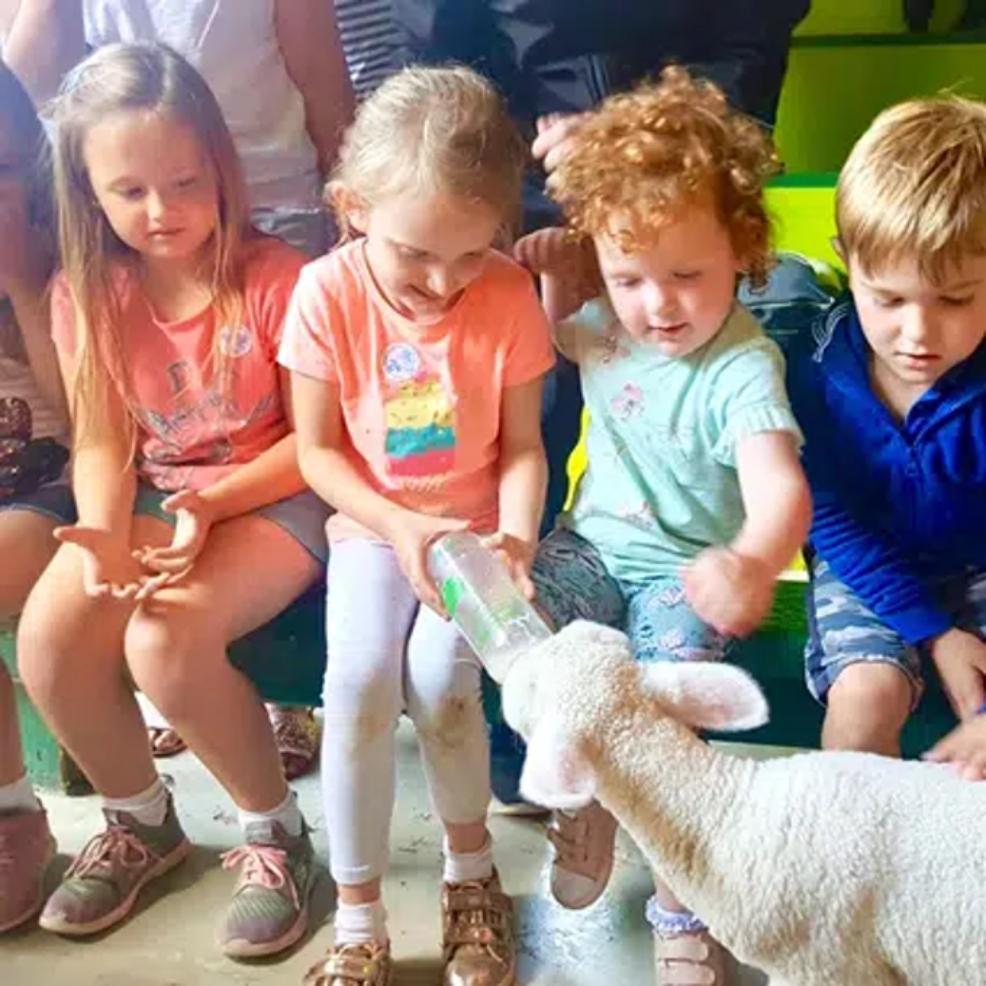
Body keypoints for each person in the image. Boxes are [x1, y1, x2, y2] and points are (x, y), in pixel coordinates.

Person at [16, 42, 329, 957]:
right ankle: (142, 821)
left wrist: (212, 507)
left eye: (185, 181)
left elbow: (315, 447)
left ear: (222, 166)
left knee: (163, 638)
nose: (163, 211)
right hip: (163, 493)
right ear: (88, 190)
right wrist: (104, 532)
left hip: (278, 492)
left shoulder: (282, 280)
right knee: (51, 633)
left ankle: (277, 835)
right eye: (131, 192)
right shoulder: (87, 292)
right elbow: (107, 438)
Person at [515, 67, 811, 985]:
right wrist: (560, 279)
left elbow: (781, 488)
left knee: (671, 706)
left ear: (743, 251)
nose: (659, 304)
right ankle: (593, 798)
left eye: (688, 274)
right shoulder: (605, 322)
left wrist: (754, 557)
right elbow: (554, 339)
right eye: (630, 275)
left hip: (684, 573)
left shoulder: (740, 366)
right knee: (516, 618)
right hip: (593, 549)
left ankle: (684, 912)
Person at [280, 65, 555, 985]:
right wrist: (398, 525)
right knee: (356, 680)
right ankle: (357, 916)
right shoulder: (323, 293)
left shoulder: (511, 296)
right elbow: (317, 455)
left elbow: (523, 448)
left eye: (471, 254)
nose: (442, 284)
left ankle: (471, 879)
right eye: (415, 253)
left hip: (475, 531)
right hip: (370, 528)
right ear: (350, 206)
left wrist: (514, 535)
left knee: (442, 681)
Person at [786, 95, 986, 782]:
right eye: (889, 299)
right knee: (865, 697)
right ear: (848, 263)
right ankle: (849, 877)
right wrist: (933, 631)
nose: (918, 334)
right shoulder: (813, 373)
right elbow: (829, 521)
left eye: (955, 299)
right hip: (865, 564)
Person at [4, 0, 355, 258]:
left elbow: (324, 87)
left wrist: (350, 212)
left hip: (270, 207)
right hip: (129, 217)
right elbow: (29, 87)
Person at [0, 59, 69, 935]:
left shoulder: (61, 251)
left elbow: (93, 419)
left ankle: (12, 813)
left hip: (55, 480)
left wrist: (23, 282)